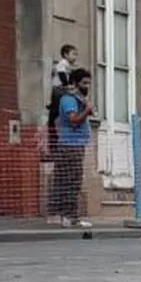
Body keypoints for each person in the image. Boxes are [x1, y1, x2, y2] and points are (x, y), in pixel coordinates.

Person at [51, 68, 95, 228]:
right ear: (75, 83)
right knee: (71, 181)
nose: (87, 86)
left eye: (89, 83)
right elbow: (73, 119)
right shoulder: (69, 100)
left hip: (75, 144)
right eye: (84, 83)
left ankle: (66, 215)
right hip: (71, 145)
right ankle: (70, 216)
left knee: (68, 180)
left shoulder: (77, 98)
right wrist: (87, 110)